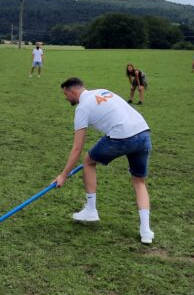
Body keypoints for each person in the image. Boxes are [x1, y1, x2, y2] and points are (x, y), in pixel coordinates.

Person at [54, 77, 154, 244]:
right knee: (139, 182)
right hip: (143, 133)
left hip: (122, 137)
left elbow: (77, 148)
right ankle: (146, 231)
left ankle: (91, 210)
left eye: (66, 94)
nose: (66, 98)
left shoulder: (82, 108)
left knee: (88, 161)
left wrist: (63, 175)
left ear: (73, 92)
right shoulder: (102, 90)